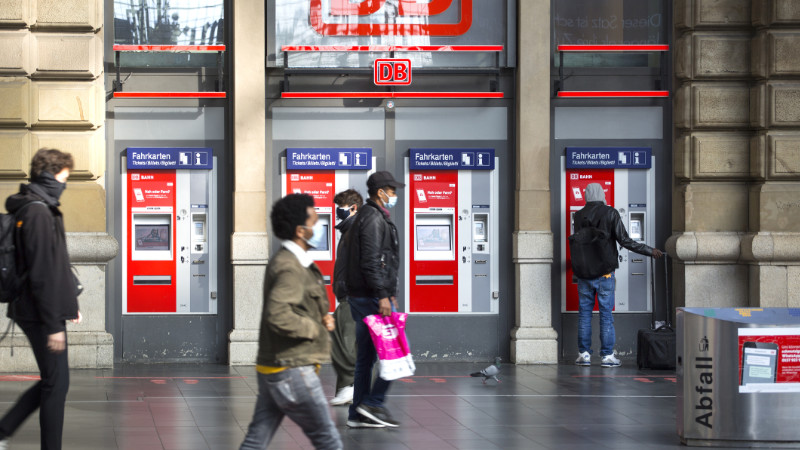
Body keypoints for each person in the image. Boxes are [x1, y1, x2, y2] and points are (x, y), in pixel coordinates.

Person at [239, 193, 342, 450]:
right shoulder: (290, 266)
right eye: (316, 220)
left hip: (276, 366)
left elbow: (297, 305)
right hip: (292, 369)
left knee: (256, 441)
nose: (320, 226)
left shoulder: (295, 261)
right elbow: (278, 314)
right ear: (300, 230)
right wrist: (316, 328)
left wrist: (320, 315)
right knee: (328, 440)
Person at [0, 148, 82, 450]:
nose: (65, 183)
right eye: (64, 176)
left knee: (54, 380)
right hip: (36, 311)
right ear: (52, 173)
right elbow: (41, 272)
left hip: (39, 309)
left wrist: (70, 305)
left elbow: (56, 264)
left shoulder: (40, 207)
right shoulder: (36, 211)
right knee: (56, 383)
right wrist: (53, 324)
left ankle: (4, 429)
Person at [573, 183, 663, 368]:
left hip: (584, 272)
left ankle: (584, 354)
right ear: (601, 194)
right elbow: (625, 240)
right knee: (606, 315)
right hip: (605, 273)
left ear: (586, 195)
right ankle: (607, 356)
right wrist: (649, 250)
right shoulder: (610, 213)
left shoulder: (579, 215)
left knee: (584, 315)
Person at [343, 171, 404, 428]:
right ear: (381, 192)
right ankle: (373, 403)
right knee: (395, 352)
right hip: (369, 297)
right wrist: (383, 295)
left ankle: (357, 414)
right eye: (392, 190)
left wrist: (388, 293)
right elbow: (371, 262)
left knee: (366, 358)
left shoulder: (371, 216)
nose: (395, 195)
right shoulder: (373, 219)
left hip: (366, 295)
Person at [328, 189, 363, 406]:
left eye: (340, 209)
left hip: (353, 296)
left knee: (344, 343)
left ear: (353, 208)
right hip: (348, 295)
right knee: (350, 343)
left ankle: (352, 387)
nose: (337, 213)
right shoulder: (349, 230)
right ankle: (348, 389)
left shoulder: (357, 231)